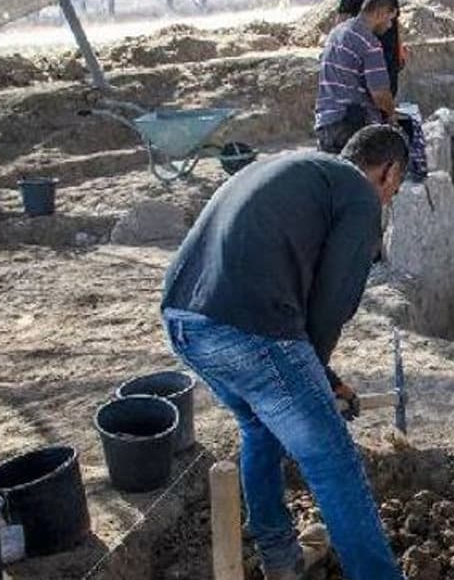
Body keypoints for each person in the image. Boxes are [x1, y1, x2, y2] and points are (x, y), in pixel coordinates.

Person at [160, 126, 409, 580]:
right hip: (250, 329)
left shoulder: (296, 166)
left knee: (260, 427)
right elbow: (331, 304)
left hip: (183, 319)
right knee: (334, 459)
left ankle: (281, 561)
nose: (388, 199)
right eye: (394, 189)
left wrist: (323, 379)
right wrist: (316, 383)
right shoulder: (359, 194)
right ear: (389, 172)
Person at [315, 0, 399, 155]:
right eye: (390, 19)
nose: (390, 26)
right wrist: (392, 116)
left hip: (325, 123)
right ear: (380, 12)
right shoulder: (369, 43)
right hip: (350, 128)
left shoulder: (336, 33)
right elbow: (380, 95)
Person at [338, 0, 404, 97]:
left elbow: (395, 21)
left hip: (388, 52)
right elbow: (343, 19)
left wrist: (399, 48)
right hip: (364, 54)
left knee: (389, 93)